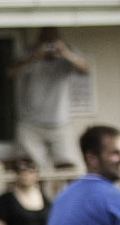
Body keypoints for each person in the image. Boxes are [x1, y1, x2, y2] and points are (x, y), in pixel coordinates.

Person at [10, 29, 90, 171]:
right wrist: (35, 56)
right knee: (30, 168)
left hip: (60, 122)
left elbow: (85, 69)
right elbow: (11, 72)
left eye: (52, 41)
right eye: (46, 41)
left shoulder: (67, 51)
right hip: (30, 123)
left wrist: (66, 54)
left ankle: (67, 194)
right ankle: (39, 193)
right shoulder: (30, 52)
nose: (49, 46)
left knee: (67, 166)